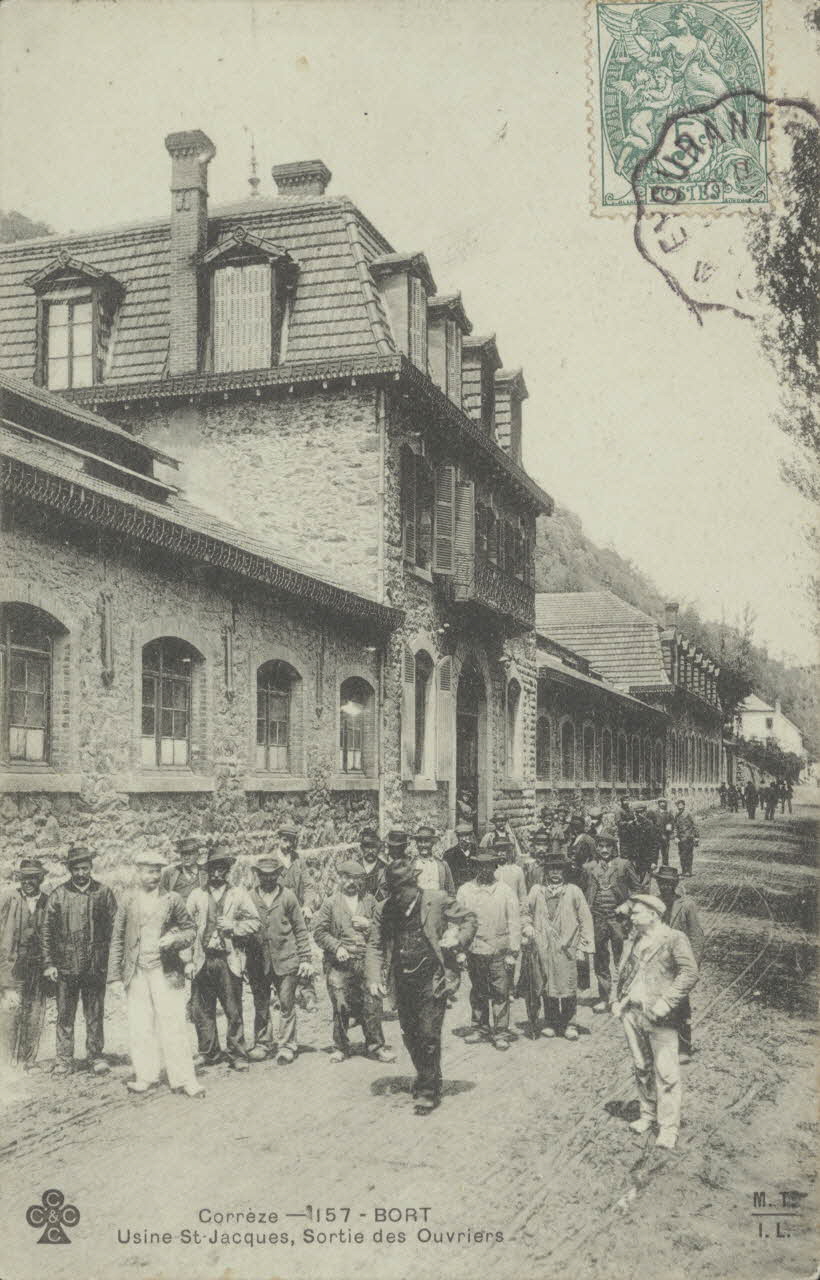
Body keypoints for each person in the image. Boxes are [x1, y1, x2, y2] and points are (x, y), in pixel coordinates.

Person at [366, 857, 477, 1114]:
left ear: (413, 885)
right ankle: (429, 1074)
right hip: (402, 980)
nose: (396, 896)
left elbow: (469, 918)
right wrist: (373, 977)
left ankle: (428, 1090)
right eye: (392, 891)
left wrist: (458, 939)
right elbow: (374, 945)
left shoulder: (435, 900)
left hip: (433, 978)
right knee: (410, 1033)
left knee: (428, 1033)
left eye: (400, 890)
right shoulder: (385, 909)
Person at [107, 850, 203, 1098]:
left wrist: (174, 939)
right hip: (136, 973)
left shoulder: (172, 899)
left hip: (165, 971)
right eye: (149, 871)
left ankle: (184, 1079)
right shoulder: (128, 900)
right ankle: (145, 1076)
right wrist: (115, 977)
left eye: (158, 871)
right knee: (140, 1026)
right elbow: (117, 938)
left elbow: (190, 930)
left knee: (173, 1025)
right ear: (138, 873)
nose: (155, 876)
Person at [611, 893, 699, 1150]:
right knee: (641, 1066)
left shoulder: (674, 939)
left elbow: (690, 972)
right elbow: (623, 970)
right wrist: (617, 999)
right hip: (633, 1013)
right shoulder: (634, 938)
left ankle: (668, 1128)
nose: (632, 916)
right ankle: (647, 1115)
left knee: (666, 1072)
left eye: (637, 912)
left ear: (653, 914)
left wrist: (667, 1001)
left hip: (660, 1016)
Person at [42, 845, 117, 1077]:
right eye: (76, 869)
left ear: (91, 868)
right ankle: (64, 1059)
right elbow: (46, 932)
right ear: (70, 869)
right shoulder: (58, 895)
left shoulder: (103, 893)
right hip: (66, 967)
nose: (81, 873)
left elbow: (116, 928)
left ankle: (96, 1056)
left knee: (94, 1013)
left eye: (85, 868)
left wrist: (112, 962)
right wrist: (49, 963)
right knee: (65, 1014)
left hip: (95, 966)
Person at [186, 844, 260, 1070]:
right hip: (202, 960)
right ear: (206, 871)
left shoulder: (238, 894)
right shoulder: (196, 895)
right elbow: (186, 928)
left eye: (221, 869)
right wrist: (188, 960)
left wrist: (234, 926)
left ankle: (237, 1053)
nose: (217, 873)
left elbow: (255, 922)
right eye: (213, 869)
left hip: (229, 960)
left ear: (227, 870)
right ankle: (208, 1052)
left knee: (233, 1008)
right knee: (202, 1009)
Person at [313, 860, 395, 1065]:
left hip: (366, 961)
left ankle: (375, 1046)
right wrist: (337, 947)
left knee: (372, 1003)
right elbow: (319, 932)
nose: (351, 883)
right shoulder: (331, 903)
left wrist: (368, 925)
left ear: (362, 881)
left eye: (356, 879)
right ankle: (340, 1047)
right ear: (340, 878)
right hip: (340, 963)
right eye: (347, 878)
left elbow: (384, 930)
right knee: (340, 1004)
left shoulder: (370, 902)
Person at [245, 853, 312, 1065]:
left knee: (286, 1003)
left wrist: (305, 958)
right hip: (258, 961)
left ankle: (286, 1045)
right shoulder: (249, 898)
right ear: (257, 875)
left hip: (286, 959)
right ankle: (263, 1043)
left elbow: (300, 930)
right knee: (261, 1003)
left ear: (278, 875)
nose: (267, 879)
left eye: (272, 875)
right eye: (263, 875)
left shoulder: (288, 896)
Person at [521, 852, 595, 1041]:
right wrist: (528, 926)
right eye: (551, 869)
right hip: (543, 945)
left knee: (568, 985)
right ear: (546, 871)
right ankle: (551, 1021)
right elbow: (525, 912)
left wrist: (583, 947)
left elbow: (585, 919)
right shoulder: (537, 891)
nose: (555, 873)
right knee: (547, 984)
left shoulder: (573, 891)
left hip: (567, 947)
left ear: (564, 872)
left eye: (559, 869)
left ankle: (570, 1022)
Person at [456, 848, 521, 1052]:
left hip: (499, 951)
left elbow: (515, 921)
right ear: (475, 867)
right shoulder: (465, 891)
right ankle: (480, 1027)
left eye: (489, 866)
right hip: (475, 950)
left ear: (494, 867)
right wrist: (459, 949)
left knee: (500, 991)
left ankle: (500, 1032)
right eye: (480, 866)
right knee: (478, 990)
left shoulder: (505, 890)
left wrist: (513, 951)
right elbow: (457, 921)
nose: (485, 870)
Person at [582, 833, 641, 1013]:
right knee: (600, 958)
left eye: (608, 846)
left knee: (622, 958)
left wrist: (627, 904)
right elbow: (584, 891)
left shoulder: (623, 865)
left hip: (618, 919)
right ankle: (604, 996)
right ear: (596, 848)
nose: (605, 850)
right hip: (597, 918)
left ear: (614, 848)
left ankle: (623, 996)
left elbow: (638, 889)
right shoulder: (589, 867)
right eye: (601, 846)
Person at [0, 857, 49, 1071]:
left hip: (38, 968)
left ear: (40, 878)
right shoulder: (9, 899)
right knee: (11, 1013)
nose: (28, 882)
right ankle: (5, 1062)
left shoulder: (47, 901)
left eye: (32, 877)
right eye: (24, 878)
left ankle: (28, 1060)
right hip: (13, 966)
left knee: (35, 1012)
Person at [652, 866, 705, 1062]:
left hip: (679, 966)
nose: (665, 886)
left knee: (681, 1006)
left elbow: (697, 937)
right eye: (661, 882)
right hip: (657, 965)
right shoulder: (653, 905)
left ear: (675, 884)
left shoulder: (686, 905)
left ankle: (684, 1047)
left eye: (669, 883)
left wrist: (692, 966)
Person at [278, 823, 313, 921]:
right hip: (277, 914)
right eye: (285, 840)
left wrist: (307, 906)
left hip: (297, 913)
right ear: (278, 839)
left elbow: (309, 886)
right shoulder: (271, 861)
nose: (288, 845)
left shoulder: (298, 860)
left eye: (291, 841)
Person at [413, 826, 455, 895]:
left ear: (432, 843)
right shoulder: (411, 864)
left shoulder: (442, 865)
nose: (423, 845)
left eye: (426, 841)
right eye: (420, 841)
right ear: (416, 844)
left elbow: (451, 891)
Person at [494, 834, 527, 911]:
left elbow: (523, 895)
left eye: (503, 850)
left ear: (508, 852)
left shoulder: (517, 870)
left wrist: (522, 910)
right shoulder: (493, 870)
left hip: (513, 909)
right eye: (498, 850)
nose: (501, 853)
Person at [357, 829, 389, 902]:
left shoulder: (384, 868)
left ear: (379, 848)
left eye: (373, 847)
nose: (370, 851)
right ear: (361, 848)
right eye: (367, 847)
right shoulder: (354, 867)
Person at [443, 823, 476, 892]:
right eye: (461, 835)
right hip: (458, 890)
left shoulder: (477, 852)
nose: (464, 839)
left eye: (467, 835)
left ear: (471, 835)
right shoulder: (449, 854)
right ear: (457, 837)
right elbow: (447, 878)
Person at [567, 814, 597, 888]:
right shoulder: (573, 839)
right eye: (572, 826)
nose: (574, 829)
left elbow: (594, 856)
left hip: (583, 871)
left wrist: (587, 867)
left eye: (576, 826)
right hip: (573, 871)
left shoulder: (588, 839)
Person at [674, 800, 699, 876]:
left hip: (689, 838)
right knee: (682, 855)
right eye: (678, 805)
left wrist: (697, 837)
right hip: (681, 839)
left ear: (684, 805)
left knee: (689, 854)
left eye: (681, 805)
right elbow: (675, 827)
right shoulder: (677, 815)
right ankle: (684, 870)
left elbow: (695, 825)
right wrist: (675, 837)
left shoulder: (688, 814)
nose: (679, 807)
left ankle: (689, 870)